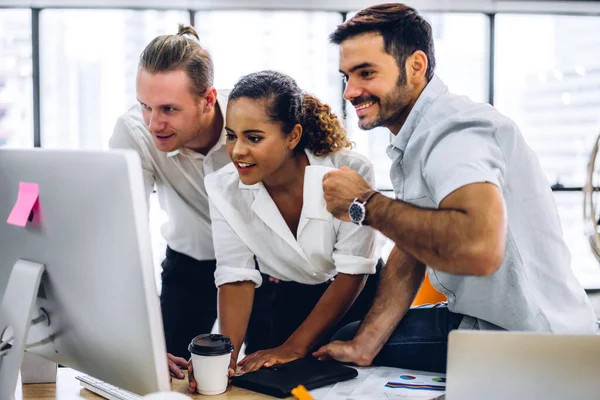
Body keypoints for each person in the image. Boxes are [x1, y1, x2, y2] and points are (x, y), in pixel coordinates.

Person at [313, 3, 597, 373]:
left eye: (366, 73)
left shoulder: (454, 131)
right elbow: (410, 247)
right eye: (345, 77)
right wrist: (363, 346)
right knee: (350, 338)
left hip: (534, 342)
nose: (351, 91)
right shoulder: (416, 136)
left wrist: (365, 203)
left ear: (416, 66)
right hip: (479, 322)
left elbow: (479, 248)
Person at [188, 70, 380, 391]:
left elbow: (352, 271)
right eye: (232, 135)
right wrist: (225, 360)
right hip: (284, 298)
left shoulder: (350, 171)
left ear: (292, 136)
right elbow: (236, 276)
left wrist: (295, 347)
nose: (236, 151)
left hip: (354, 300)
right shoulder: (222, 188)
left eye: (254, 138)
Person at [109, 25, 273, 377]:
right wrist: (138, 336)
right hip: (190, 263)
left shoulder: (250, 119)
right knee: (163, 369)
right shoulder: (134, 131)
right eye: (145, 106)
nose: (155, 124)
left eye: (169, 109)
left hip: (267, 264)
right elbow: (123, 235)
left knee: (263, 374)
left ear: (209, 100)